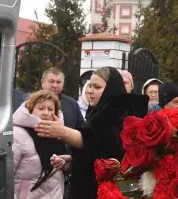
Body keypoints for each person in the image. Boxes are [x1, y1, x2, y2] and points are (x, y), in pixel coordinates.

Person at [34, 67, 147, 199]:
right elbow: (96, 152)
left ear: (111, 89)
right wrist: (73, 159)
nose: (90, 91)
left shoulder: (117, 113)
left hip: (103, 191)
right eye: (89, 86)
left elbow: (99, 141)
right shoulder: (97, 111)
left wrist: (62, 131)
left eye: (97, 87)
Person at [13, 90, 70, 199]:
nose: (46, 113)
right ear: (31, 109)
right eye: (41, 108)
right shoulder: (18, 133)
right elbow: (8, 172)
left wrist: (63, 163)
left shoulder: (57, 134)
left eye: (50, 109)